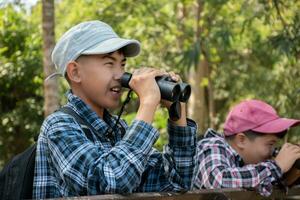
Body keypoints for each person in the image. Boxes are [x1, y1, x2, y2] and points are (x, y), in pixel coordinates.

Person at [33, 20, 197, 199]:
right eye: (109, 64)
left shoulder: (119, 131)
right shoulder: (59, 126)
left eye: (123, 64)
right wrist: (148, 102)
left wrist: (177, 113)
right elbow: (110, 183)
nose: (120, 75)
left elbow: (176, 183)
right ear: (75, 72)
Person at [193, 99, 300, 196]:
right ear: (241, 140)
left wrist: (290, 174)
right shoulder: (213, 147)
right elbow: (219, 181)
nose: (273, 151)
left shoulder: (246, 164)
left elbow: (255, 182)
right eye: (270, 144)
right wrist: (276, 166)